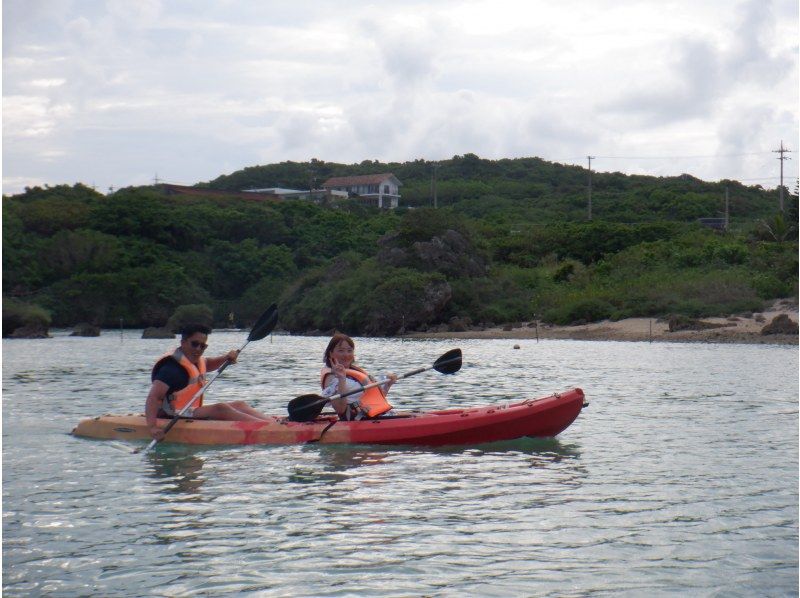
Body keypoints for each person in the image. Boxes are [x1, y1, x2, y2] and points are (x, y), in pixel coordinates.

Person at [145, 323, 271, 440]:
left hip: (189, 410)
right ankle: (270, 429)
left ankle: (275, 423)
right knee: (221, 408)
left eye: (203, 346)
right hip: (171, 414)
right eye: (194, 344)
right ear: (183, 342)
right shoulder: (170, 369)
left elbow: (207, 364)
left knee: (240, 405)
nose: (199, 349)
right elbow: (153, 397)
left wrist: (226, 358)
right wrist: (152, 427)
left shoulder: (195, 360)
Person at [320, 332, 397, 421]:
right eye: (341, 350)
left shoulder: (356, 372)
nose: (346, 355)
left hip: (375, 415)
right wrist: (341, 379)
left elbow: (375, 398)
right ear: (331, 353)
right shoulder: (331, 377)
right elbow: (340, 409)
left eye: (349, 350)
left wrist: (388, 384)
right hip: (356, 419)